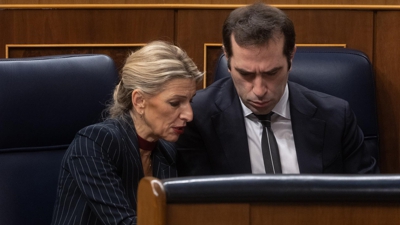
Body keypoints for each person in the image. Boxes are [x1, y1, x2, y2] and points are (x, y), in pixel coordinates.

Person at [175, 3, 378, 175]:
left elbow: (368, 201)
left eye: (271, 73)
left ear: (291, 56)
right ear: (227, 57)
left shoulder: (336, 117)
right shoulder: (196, 117)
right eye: (246, 74)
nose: (259, 90)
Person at [51, 40, 203, 225]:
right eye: (175, 103)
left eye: (190, 101)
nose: (189, 114)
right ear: (139, 101)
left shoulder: (167, 150)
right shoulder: (95, 143)